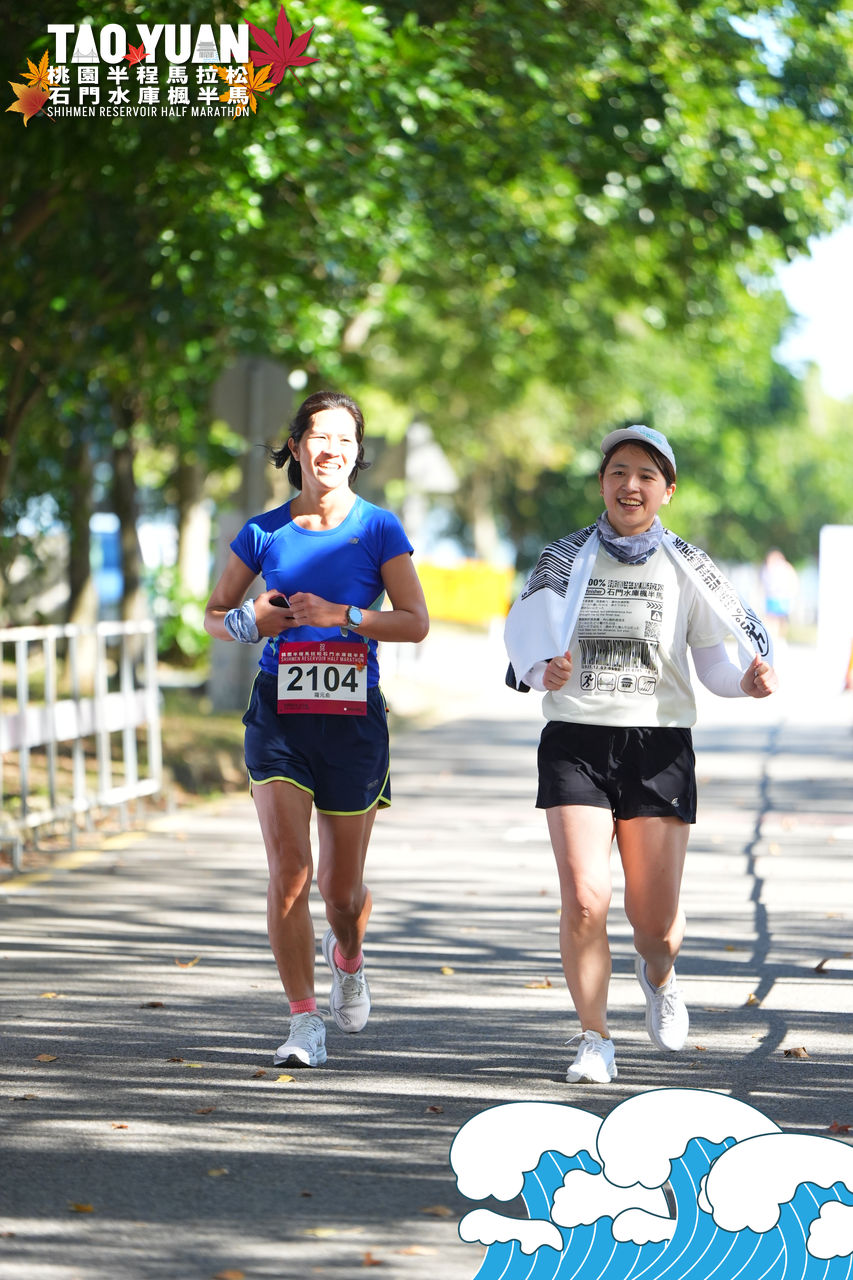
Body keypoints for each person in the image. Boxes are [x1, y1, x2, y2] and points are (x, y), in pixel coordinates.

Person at [504, 424, 777, 1085]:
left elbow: (711, 667)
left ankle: (658, 972)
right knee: (585, 899)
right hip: (575, 738)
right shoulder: (562, 560)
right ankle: (593, 1037)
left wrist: (743, 685)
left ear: (667, 491)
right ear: (602, 484)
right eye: (618, 472)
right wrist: (544, 672)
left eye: (646, 475)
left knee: (655, 923)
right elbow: (524, 650)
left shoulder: (689, 568)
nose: (630, 485)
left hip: (658, 747)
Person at [204, 390, 429, 1069]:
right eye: (320, 436)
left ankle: (349, 956)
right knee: (290, 872)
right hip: (279, 714)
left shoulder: (378, 528)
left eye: (345, 439)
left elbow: (414, 621)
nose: (331, 449)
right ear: (297, 446)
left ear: (357, 454)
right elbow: (214, 615)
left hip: (353, 722)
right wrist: (249, 622)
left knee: (341, 891)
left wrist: (344, 615)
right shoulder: (263, 532)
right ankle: (304, 1020)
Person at [760, 549, 799, 642]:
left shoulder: (785, 567)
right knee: (771, 618)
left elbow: (793, 580)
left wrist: (791, 593)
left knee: (781, 618)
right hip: (772, 596)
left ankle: (780, 637)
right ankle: (772, 637)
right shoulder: (767, 568)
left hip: (782, 596)